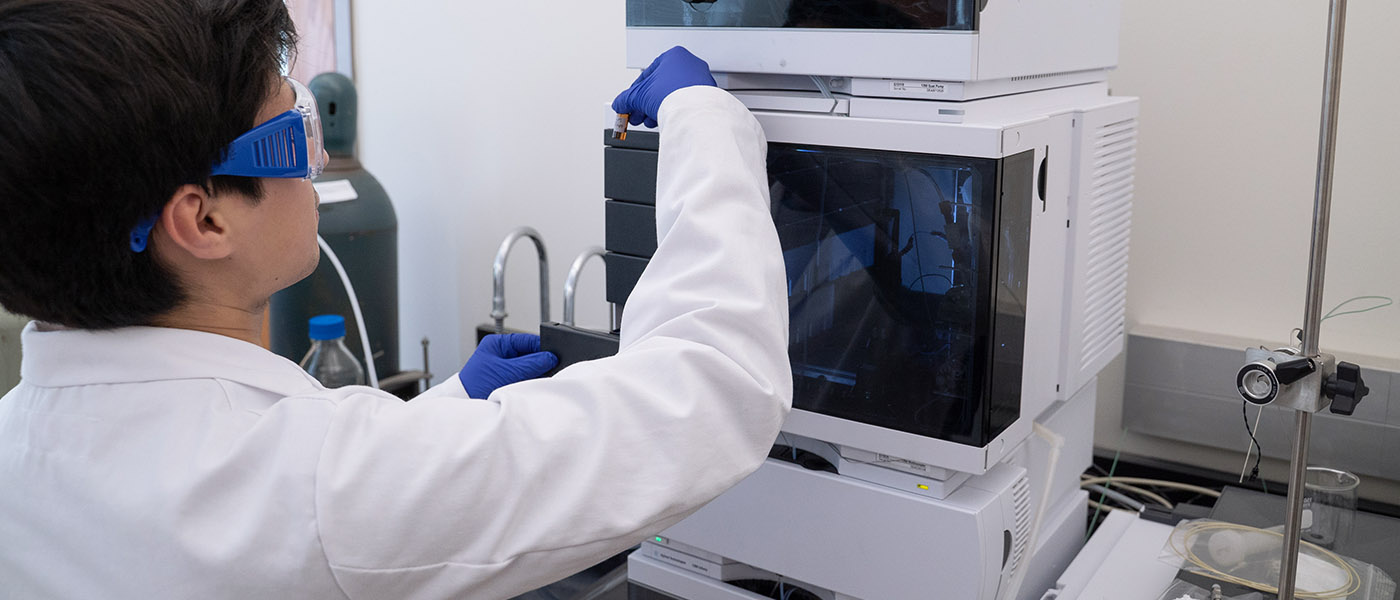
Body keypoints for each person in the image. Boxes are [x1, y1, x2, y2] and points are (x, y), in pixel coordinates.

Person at [0, 1, 790, 598]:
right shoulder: (320, 489)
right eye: (292, 134)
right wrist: (705, 122)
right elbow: (710, 388)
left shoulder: (17, 446)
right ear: (202, 218)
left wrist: (444, 411)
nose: (312, 164)